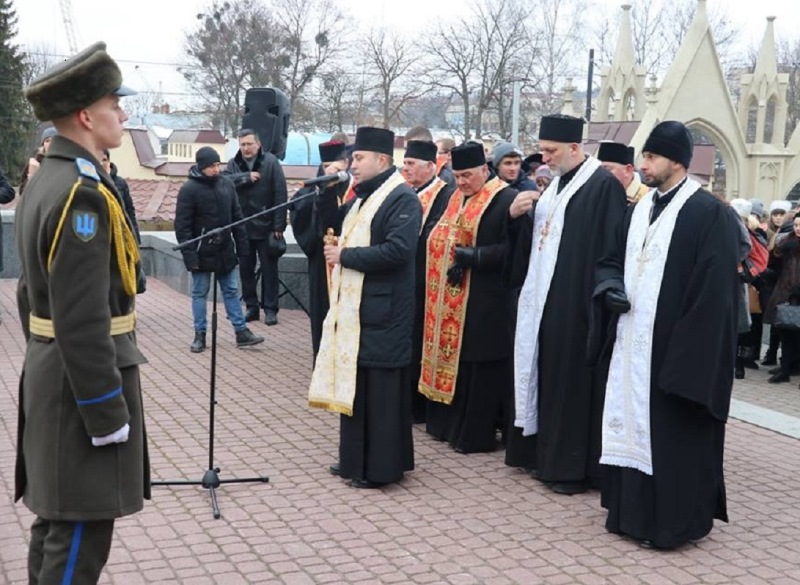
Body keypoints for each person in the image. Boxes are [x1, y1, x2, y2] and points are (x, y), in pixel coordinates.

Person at [16, 41, 149, 584]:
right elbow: (81, 319)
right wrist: (104, 411)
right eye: (115, 104)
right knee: (78, 535)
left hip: (55, 374)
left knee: (56, 527)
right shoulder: (81, 194)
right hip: (81, 390)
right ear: (85, 115)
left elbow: (31, 296)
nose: (123, 114)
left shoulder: (47, 180)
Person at [591, 120, 739, 549]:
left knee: (672, 436)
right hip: (630, 342)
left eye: (651, 157)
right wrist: (610, 287)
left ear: (677, 161)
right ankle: (630, 517)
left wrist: (683, 358)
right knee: (631, 431)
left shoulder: (709, 214)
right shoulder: (637, 208)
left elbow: (715, 298)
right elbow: (609, 259)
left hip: (675, 355)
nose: (643, 165)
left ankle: (673, 525)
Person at [504, 114, 627, 494]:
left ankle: (570, 469)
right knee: (546, 378)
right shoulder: (556, 185)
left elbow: (609, 247)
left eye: (551, 150)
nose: (545, 157)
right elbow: (542, 242)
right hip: (543, 302)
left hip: (577, 306)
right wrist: (517, 218)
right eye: (542, 150)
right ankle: (541, 455)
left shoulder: (602, 185)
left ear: (575, 148)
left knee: (571, 387)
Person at [308, 126, 421, 489]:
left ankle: (381, 469)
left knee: (381, 394)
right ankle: (355, 460)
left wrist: (345, 256)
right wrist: (326, 193)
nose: (352, 165)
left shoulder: (401, 198)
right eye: (352, 159)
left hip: (385, 312)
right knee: (357, 388)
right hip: (359, 311)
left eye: (358, 158)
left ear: (382, 160)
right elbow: (333, 227)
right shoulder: (361, 197)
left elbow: (399, 251)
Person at [420, 142, 517, 452]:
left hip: (487, 300)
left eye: (467, 175)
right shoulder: (454, 198)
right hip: (452, 298)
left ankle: (475, 435)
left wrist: (473, 257)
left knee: (481, 367)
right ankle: (446, 427)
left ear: (485, 171)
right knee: (459, 364)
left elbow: (513, 252)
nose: (461, 182)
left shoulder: (505, 199)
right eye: (457, 176)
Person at [175, 146, 265, 353]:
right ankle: (200, 334)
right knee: (199, 293)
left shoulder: (226, 184)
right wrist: (190, 257)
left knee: (232, 291)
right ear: (201, 166)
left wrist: (243, 248)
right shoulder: (189, 189)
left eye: (218, 165)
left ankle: (241, 331)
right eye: (211, 166)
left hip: (225, 250)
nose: (216, 169)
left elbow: (237, 218)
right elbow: (182, 227)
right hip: (200, 251)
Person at [402, 139, 455, 423]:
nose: (406, 168)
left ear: (430, 166)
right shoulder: (408, 192)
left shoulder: (444, 194)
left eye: (411, 164)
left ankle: (421, 406)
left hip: (429, 283)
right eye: (405, 163)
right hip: (408, 281)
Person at [290, 140, 354, 358]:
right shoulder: (316, 186)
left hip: (350, 262)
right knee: (323, 313)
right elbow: (298, 212)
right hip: (321, 261)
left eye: (335, 164)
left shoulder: (356, 189)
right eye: (326, 164)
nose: (330, 170)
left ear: (346, 162)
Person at [223, 128, 288, 326]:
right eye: (242, 144)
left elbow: (280, 193)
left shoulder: (270, 162)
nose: (246, 148)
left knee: (269, 269)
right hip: (242, 227)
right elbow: (224, 182)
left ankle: (270, 309)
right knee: (245, 270)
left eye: (249, 144)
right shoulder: (234, 163)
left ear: (258, 144)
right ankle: (251, 307)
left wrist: (279, 224)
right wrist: (245, 177)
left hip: (267, 226)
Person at [764, 213, 800, 384]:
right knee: (785, 331)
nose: (798, 229)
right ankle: (784, 369)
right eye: (796, 225)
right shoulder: (788, 242)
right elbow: (775, 260)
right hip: (784, 291)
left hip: (797, 293)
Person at [100, 148, 140, 243]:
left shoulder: (120, 183)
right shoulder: (91, 181)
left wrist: (135, 237)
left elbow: (129, 211)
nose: (102, 163)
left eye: (104, 160)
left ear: (109, 161)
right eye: (99, 160)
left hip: (120, 235)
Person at [19, 126, 57, 196]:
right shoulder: (35, 163)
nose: (50, 144)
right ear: (43, 145)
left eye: (53, 140)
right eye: (47, 141)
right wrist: (31, 176)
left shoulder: (65, 164)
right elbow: (22, 193)